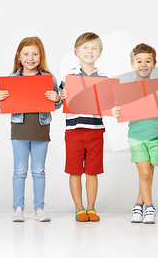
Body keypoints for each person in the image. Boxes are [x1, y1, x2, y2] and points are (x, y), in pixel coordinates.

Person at [0, 36, 62, 222]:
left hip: (40, 129)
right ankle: (18, 208)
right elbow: (3, 105)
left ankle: (39, 209)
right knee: (19, 170)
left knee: (39, 170)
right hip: (19, 130)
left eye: (34, 54)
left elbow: (57, 105)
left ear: (41, 57)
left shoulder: (48, 78)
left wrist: (57, 99)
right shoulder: (12, 79)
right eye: (26, 54)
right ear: (19, 56)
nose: (30, 58)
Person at [113, 43, 158, 224]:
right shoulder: (127, 89)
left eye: (148, 61)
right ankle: (150, 208)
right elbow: (120, 109)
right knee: (145, 174)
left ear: (154, 64)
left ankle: (138, 204)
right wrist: (117, 110)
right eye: (139, 61)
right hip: (136, 136)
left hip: (156, 135)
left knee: (148, 175)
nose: (143, 64)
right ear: (132, 64)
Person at [60, 32, 106, 222]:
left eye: (94, 48)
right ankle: (79, 208)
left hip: (96, 130)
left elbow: (107, 105)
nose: (89, 51)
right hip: (74, 131)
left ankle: (91, 207)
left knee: (93, 171)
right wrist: (61, 95)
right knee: (75, 170)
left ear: (100, 53)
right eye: (85, 48)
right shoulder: (69, 78)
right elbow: (60, 100)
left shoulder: (104, 78)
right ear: (76, 52)